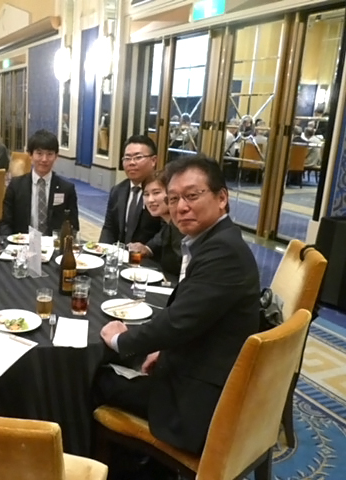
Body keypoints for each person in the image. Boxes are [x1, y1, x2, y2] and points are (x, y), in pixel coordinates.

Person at [96, 154, 260, 457]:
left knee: (92, 377)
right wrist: (163, 349)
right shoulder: (219, 240)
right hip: (199, 364)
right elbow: (195, 318)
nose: (181, 207)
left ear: (222, 198)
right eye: (173, 199)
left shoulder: (224, 254)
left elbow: (178, 322)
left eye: (192, 196)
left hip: (197, 400)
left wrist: (122, 340)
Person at [0, 129, 79, 236]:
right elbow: (5, 223)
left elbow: (73, 226)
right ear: (30, 155)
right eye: (39, 153)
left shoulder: (66, 189)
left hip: (54, 244)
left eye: (50, 154)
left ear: (56, 157)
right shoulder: (16, 186)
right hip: (22, 243)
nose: (44, 159)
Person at [99, 134, 162, 246]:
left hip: (151, 254)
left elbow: (167, 230)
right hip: (120, 253)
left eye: (138, 157)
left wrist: (148, 249)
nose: (132, 163)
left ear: (153, 160)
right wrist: (102, 250)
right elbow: (109, 227)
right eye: (127, 158)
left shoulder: (163, 191)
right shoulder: (117, 191)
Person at [129, 171, 183, 277]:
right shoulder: (166, 223)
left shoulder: (182, 226)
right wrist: (146, 248)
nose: (150, 200)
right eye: (146, 194)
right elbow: (158, 240)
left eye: (156, 193)